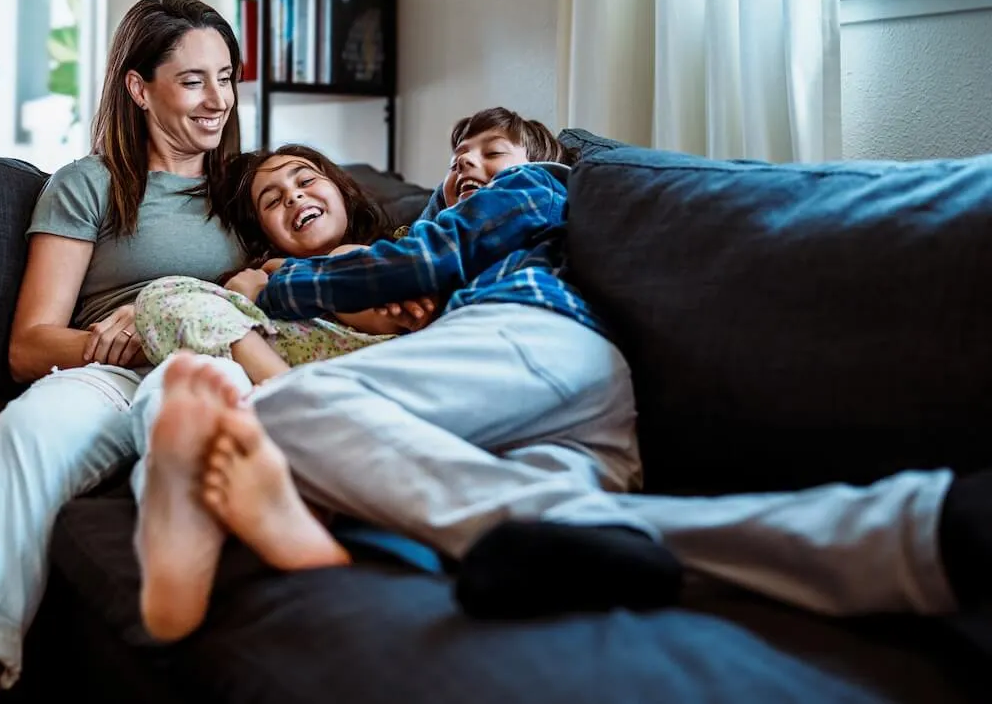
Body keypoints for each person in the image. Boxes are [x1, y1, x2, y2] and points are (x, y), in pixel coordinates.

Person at [142, 107, 992, 637]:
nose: (467, 165)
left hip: (541, 338)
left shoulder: (543, 186)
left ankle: (269, 526)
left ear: (537, 155)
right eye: (456, 158)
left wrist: (277, 283)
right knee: (558, 532)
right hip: (569, 422)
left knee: (286, 408)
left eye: (489, 150)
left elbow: (429, 255)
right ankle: (909, 534)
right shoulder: (444, 245)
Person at [0, 0, 249, 704]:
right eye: (194, 80)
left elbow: (315, 261)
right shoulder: (90, 184)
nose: (218, 101)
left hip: (209, 365)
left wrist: (207, 299)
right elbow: (29, 346)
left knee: (187, 419)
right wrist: (115, 335)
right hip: (102, 373)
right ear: (140, 89)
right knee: (19, 440)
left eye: (227, 77)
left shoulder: (248, 187)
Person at [133, 144, 435, 385]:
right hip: (281, 371)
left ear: (342, 192)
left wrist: (280, 279)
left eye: (305, 180)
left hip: (368, 368)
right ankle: (284, 388)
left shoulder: (400, 248)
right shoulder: (253, 282)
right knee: (161, 294)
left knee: (344, 256)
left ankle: (286, 393)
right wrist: (244, 295)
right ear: (264, 235)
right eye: (273, 201)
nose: (294, 196)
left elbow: (392, 312)